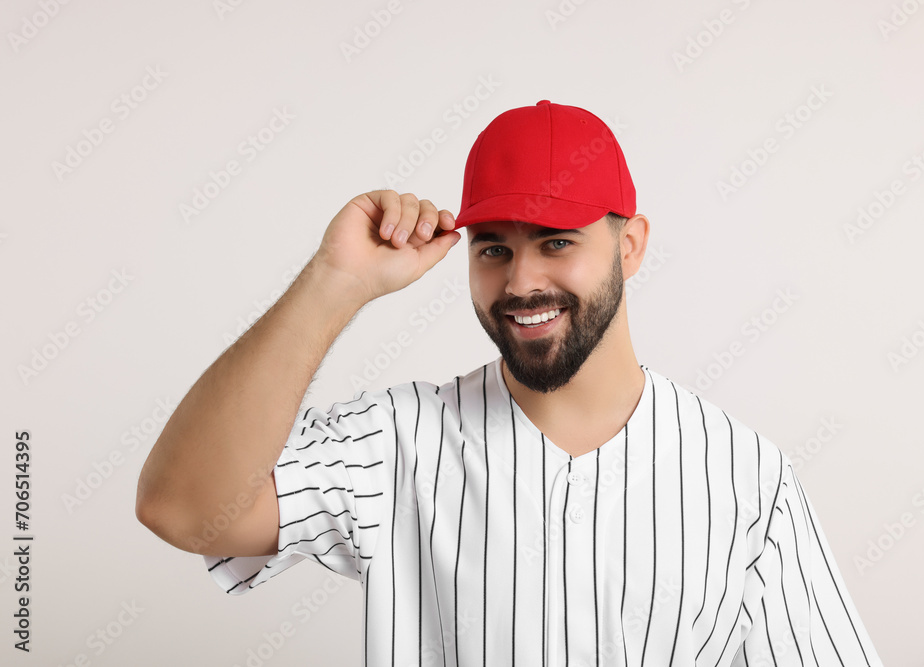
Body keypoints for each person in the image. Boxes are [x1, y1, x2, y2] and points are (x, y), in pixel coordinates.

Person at [136, 100, 884, 666]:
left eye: (557, 242)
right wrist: (335, 282)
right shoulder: (397, 441)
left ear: (630, 245)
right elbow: (184, 507)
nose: (521, 282)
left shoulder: (744, 473)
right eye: (493, 249)